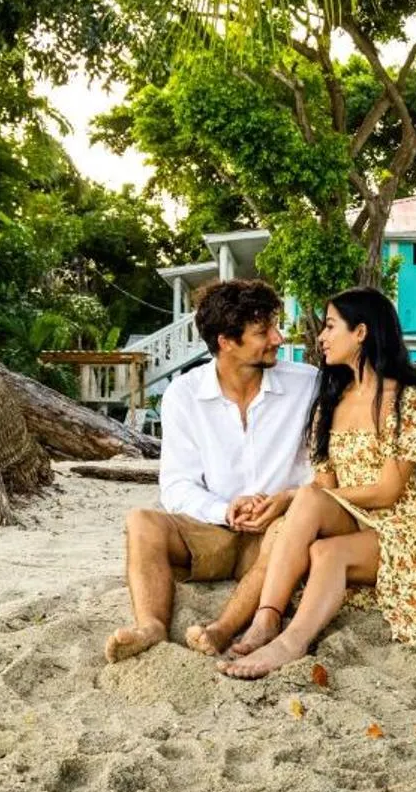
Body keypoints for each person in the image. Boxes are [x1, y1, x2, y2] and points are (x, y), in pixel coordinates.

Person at [219, 288, 416, 680]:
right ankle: (266, 619)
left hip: (399, 528)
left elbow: (389, 491)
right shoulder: (330, 402)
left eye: (331, 326)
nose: (321, 336)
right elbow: (323, 485)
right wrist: (300, 499)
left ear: (361, 333)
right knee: (310, 498)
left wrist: (293, 497)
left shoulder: (408, 400)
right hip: (351, 519)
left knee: (326, 551)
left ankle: (291, 642)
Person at [104, 280, 313, 662]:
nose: (278, 338)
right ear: (226, 341)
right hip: (212, 531)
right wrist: (226, 508)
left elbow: (337, 460)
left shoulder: (308, 385)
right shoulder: (183, 395)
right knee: (141, 521)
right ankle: (150, 626)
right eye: (263, 331)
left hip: (279, 534)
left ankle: (222, 630)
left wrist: (285, 501)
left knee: (288, 530)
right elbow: (177, 483)